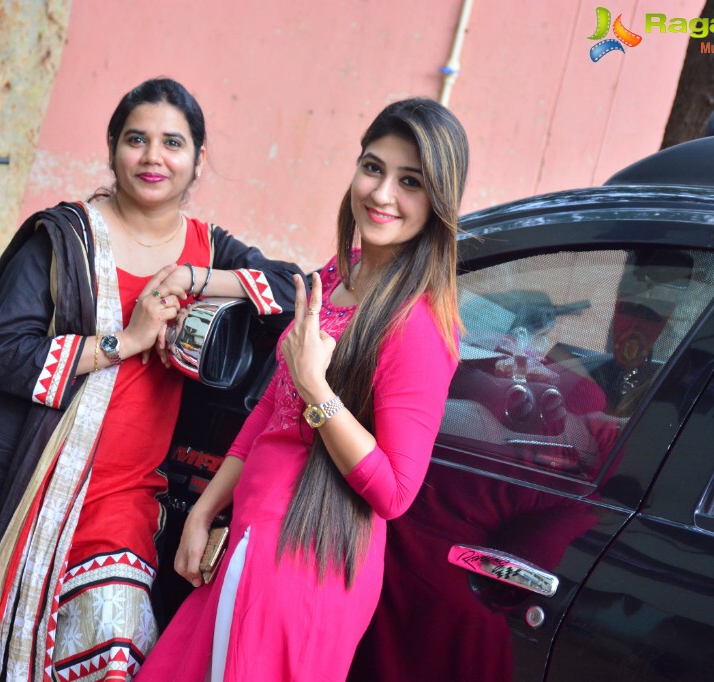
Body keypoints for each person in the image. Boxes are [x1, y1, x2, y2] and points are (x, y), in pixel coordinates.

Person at [0, 78, 304, 682]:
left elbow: (296, 289)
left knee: (110, 650)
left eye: (172, 143)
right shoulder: (62, 238)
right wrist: (126, 341)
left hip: (120, 496)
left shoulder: (210, 248)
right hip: (10, 482)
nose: (153, 157)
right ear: (112, 149)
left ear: (198, 159)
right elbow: (6, 355)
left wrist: (194, 277)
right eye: (136, 140)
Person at [136, 97, 469, 681]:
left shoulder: (418, 328)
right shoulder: (342, 272)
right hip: (253, 535)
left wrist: (318, 387)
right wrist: (206, 510)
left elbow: (394, 493)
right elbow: (272, 407)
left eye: (409, 181)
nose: (382, 193)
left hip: (306, 561)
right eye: (373, 168)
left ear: (438, 201)